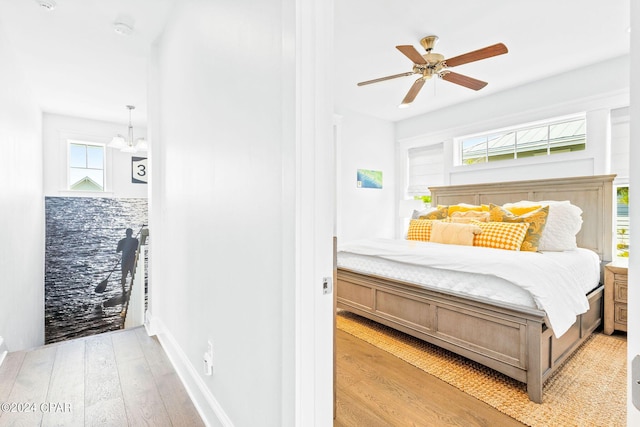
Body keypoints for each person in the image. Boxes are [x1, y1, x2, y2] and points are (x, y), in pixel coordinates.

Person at [116, 228, 139, 294]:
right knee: (133, 275)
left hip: (125, 260)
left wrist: (123, 247)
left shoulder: (122, 241)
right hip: (131, 260)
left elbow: (117, 250)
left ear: (126, 233)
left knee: (124, 275)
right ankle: (133, 289)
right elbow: (137, 248)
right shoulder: (135, 240)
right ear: (131, 233)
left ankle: (123, 290)